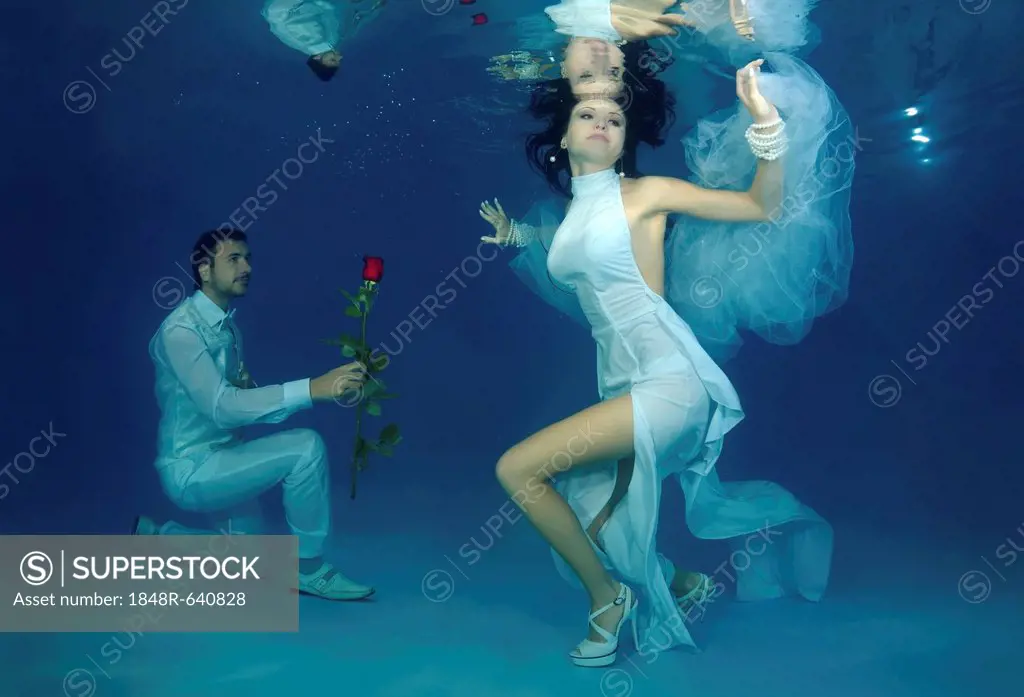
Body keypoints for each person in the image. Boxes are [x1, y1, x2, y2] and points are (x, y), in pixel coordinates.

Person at [479, 58, 837, 667]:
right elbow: (572, 253)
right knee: (592, 520)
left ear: (626, 137)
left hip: (669, 381)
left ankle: (608, 600)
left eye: (614, 118)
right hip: (623, 383)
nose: (601, 123)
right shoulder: (572, 215)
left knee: (518, 470)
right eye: (586, 115)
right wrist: (519, 237)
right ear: (564, 136)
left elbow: (760, 206)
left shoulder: (647, 195)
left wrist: (767, 124)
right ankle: (679, 583)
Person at [139, 228, 375, 601]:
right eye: (234, 259)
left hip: (227, 460)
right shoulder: (180, 332)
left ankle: (159, 537)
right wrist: (313, 388)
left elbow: (241, 403)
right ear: (203, 269)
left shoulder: (227, 325)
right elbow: (221, 407)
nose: (247, 267)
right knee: (306, 447)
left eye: (248, 258)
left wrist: (338, 385)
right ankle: (309, 569)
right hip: (192, 469)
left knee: (250, 564)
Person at [262, 0, 344, 82]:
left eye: (332, 60)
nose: (340, 56)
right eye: (339, 60)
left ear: (317, 58)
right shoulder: (329, 41)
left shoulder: (312, 42)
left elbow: (277, 21)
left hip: (280, 10)